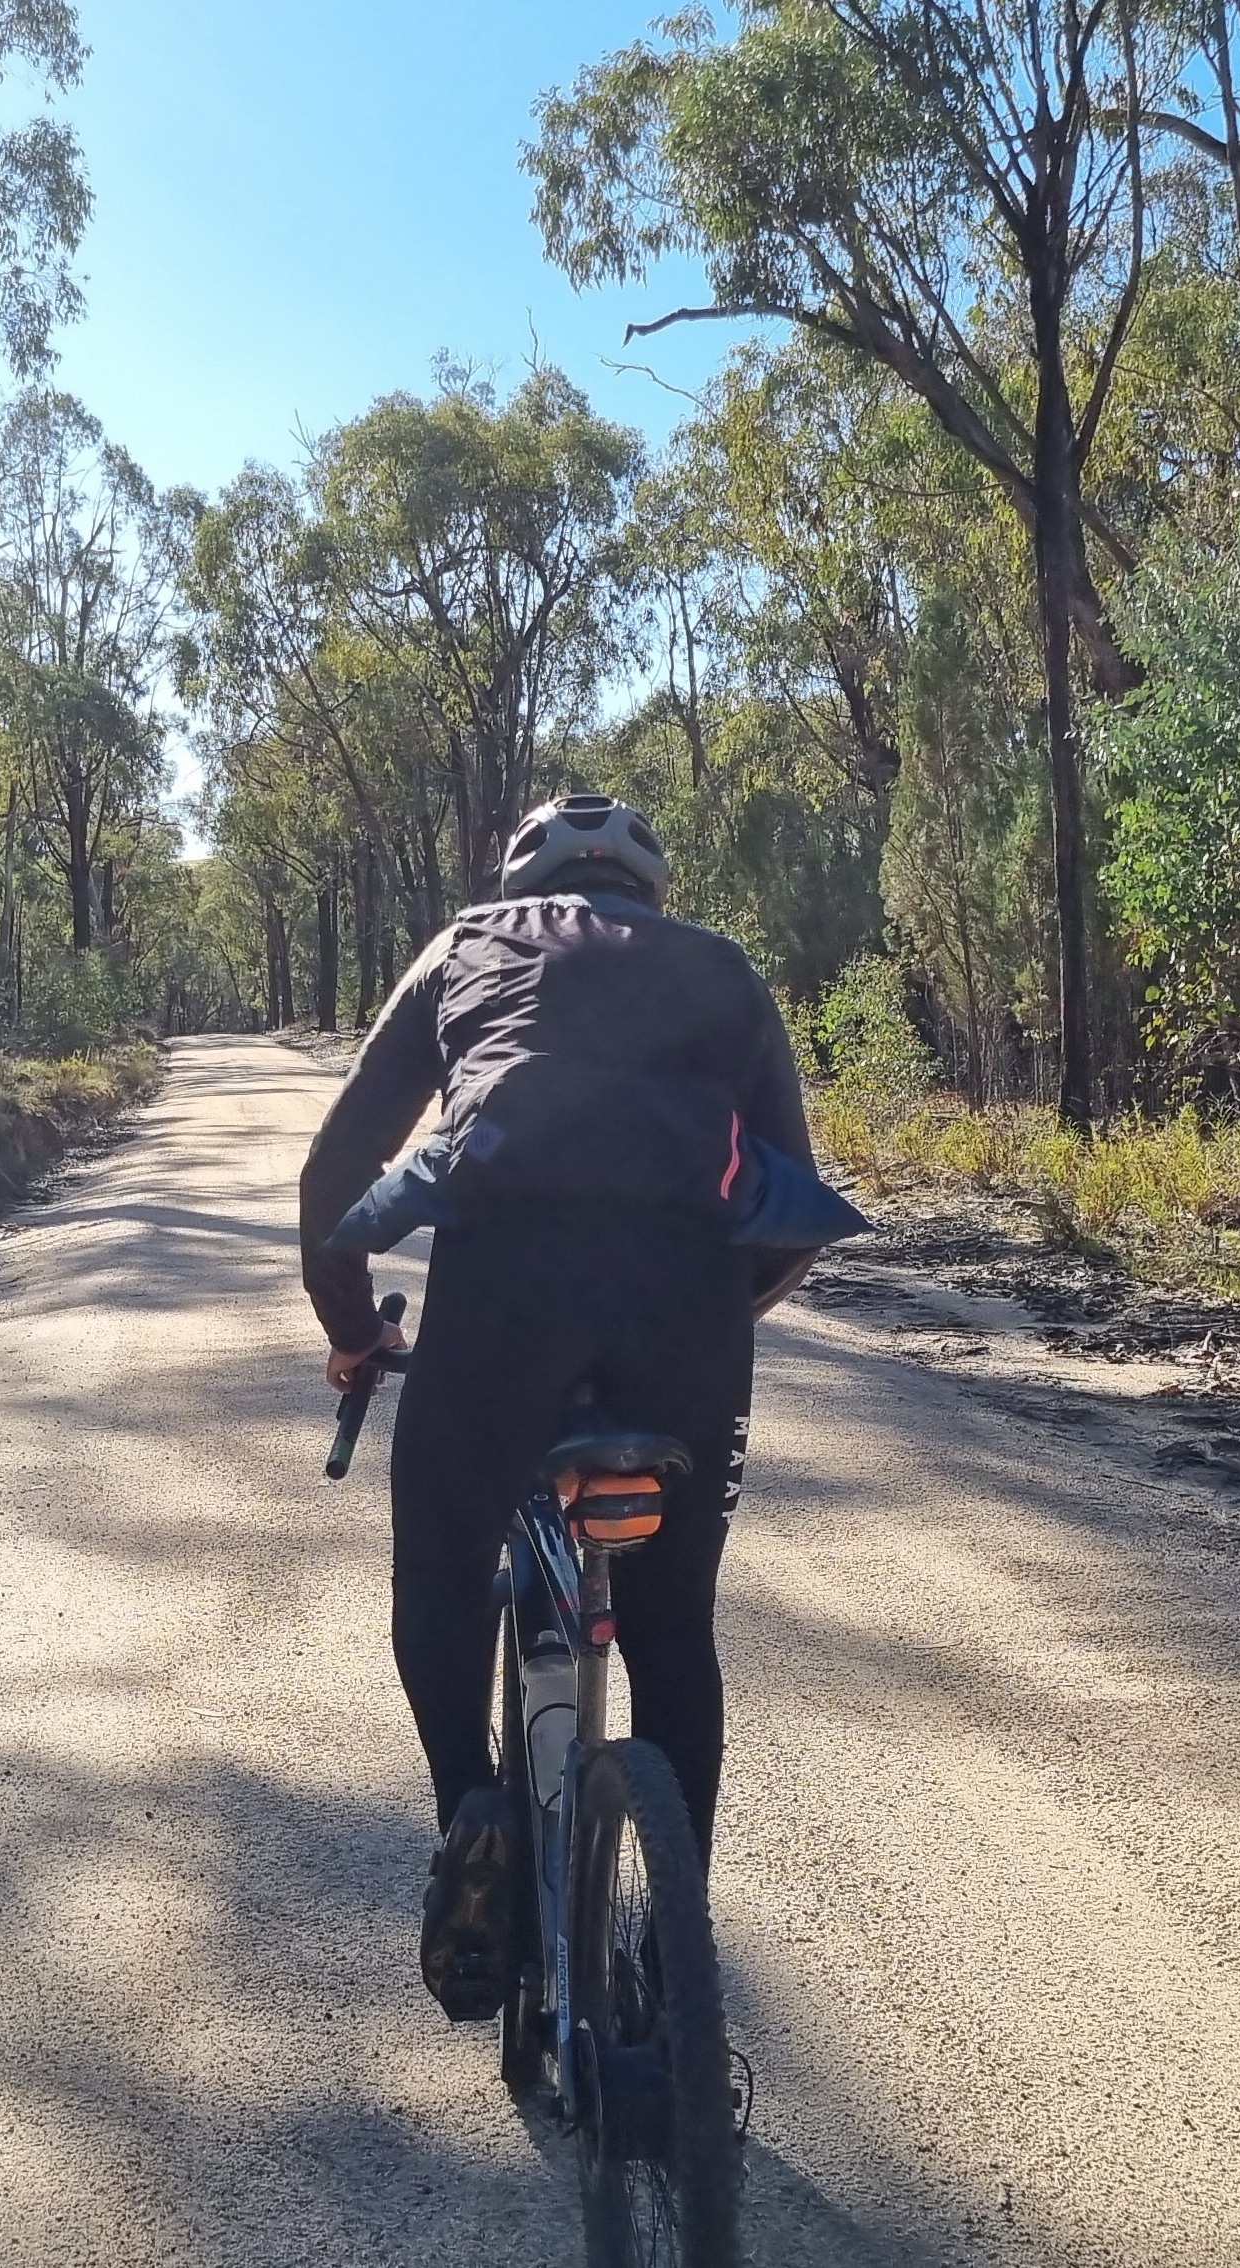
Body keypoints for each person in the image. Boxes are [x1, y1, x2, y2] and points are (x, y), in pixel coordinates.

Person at [297, 793, 830, 2022]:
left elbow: (336, 1176)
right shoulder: (724, 970)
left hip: (499, 1309)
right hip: (685, 1323)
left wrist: (352, 1331)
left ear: (521, 873)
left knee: (438, 1568)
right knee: (673, 1624)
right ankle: (673, 1956)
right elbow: (790, 1204)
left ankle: (471, 1807)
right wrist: (710, 1329)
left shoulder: (466, 945)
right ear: (652, 888)